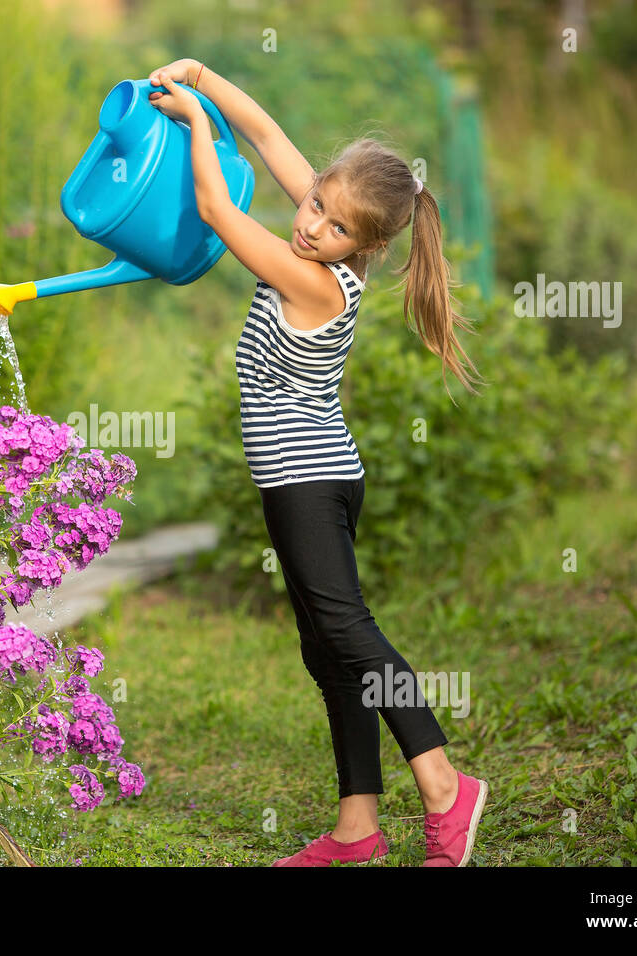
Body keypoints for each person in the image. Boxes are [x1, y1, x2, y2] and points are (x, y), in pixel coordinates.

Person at [147, 59, 491, 867]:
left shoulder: (311, 280)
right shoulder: (337, 241)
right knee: (326, 646)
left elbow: (214, 208)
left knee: (347, 631)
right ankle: (356, 829)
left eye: (333, 227)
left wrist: (198, 123)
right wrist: (204, 76)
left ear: (363, 246)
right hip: (312, 474)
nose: (310, 225)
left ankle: (444, 783)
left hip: (306, 480)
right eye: (313, 204)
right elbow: (265, 134)